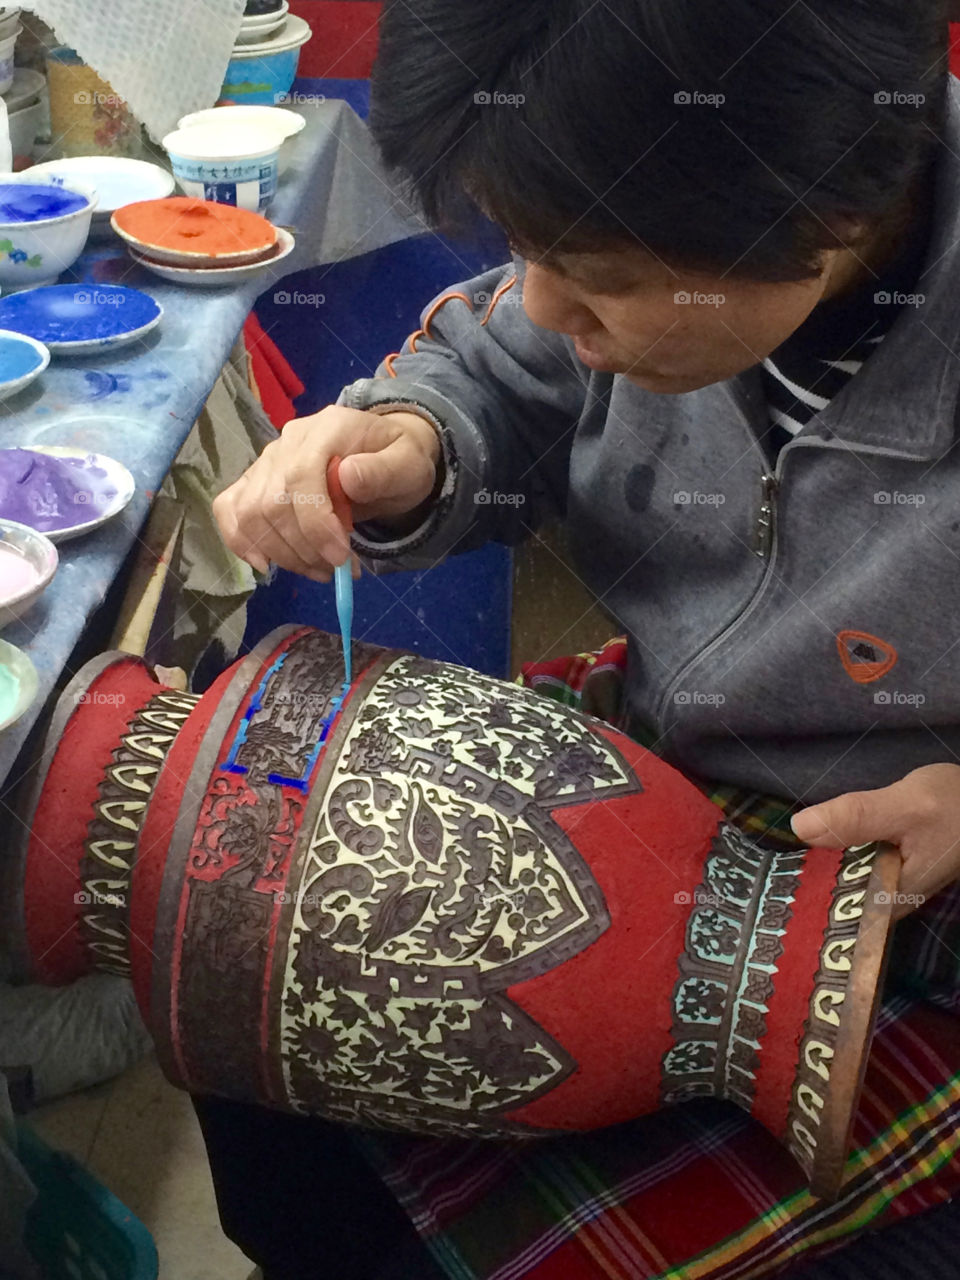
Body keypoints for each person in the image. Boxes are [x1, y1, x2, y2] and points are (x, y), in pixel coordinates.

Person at [208, 1, 960, 1276]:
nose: (546, 305)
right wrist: (419, 439)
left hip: (904, 905)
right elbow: (509, 365)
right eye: (520, 242)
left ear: (831, 214)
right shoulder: (648, 229)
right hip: (675, 763)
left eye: (601, 274)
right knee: (250, 964)